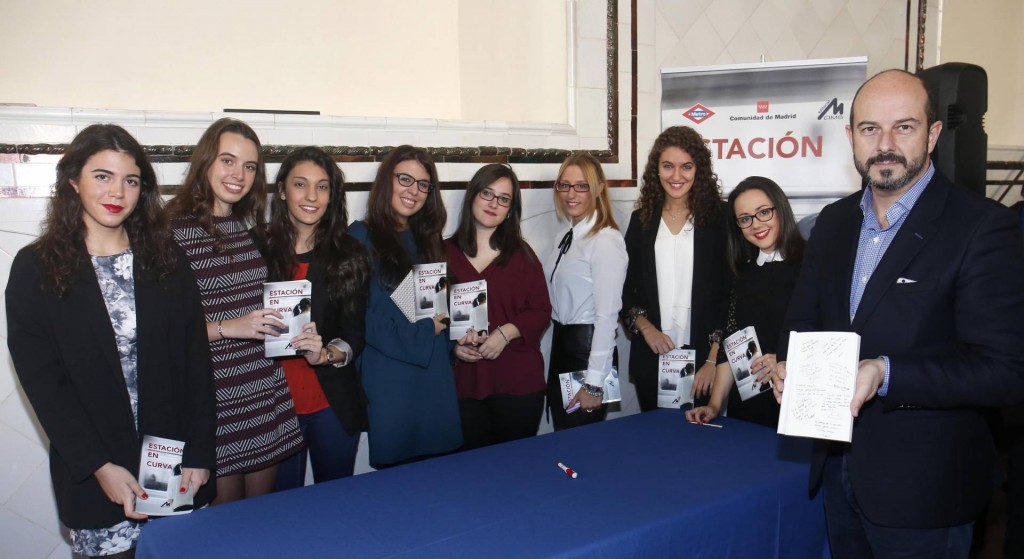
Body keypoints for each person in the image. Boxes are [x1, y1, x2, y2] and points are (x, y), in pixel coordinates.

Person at [772, 69, 1024, 558]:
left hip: (926, 493)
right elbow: (802, 319)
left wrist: (885, 373)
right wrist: (791, 365)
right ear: (851, 137)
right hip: (837, 475)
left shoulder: (983, 228)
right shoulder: (834, 222)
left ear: (932, 134)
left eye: (903, 127)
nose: (885, 144)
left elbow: (1006, 371)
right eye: (870, 129)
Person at [6, 124, 216, 558]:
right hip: (95, 472)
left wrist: (200, 451)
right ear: (73, 180)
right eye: (102, 175)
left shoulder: (167, 260)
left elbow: (196, 363)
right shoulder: (36, 269)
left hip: (172, 468)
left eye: (131, 179)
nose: (117, 190)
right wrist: (99, 467)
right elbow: (45, 387)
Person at [164, 118, 302, 504]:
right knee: (222, 527)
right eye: (228, 161)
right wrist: (229, 327)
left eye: (249, 166)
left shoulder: (249, 228)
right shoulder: (170, 232)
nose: (238, 175)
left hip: (262, 389)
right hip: (213, 397)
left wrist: (294, 324)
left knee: (259, 519)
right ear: (205, 162)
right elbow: (163, 330)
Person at [263, 146, 370, 489]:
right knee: (280, 511)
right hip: (273, 407)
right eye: (300, 184)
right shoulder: (255, 248)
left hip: (331, 405)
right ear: (281, 190)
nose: (312, 196)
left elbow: (354, 335)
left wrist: (326, 354)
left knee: (335, 507)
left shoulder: (349, 254)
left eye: (322, 187)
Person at [349, 145, 462, 467]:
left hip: (433, 374)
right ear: (387, 180)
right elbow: (360, 319)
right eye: (405, 179)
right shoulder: (359, 238)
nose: (414, 191)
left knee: (440, 483)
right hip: (389, 379)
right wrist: (426, 331)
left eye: (423, 184)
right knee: (399, 491)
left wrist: (456, 341)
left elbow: (436, 310)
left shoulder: (428, 239)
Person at [620, 126, 729, 412]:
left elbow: (731, 293)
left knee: (699, 446)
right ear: (656, 170)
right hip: (652, 357)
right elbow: (625, 287)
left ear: (699, 170)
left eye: (686, 167)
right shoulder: (640, 221)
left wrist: (713, 359)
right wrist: (646, 329)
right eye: (668, 166)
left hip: (705, 363)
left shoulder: (721, 219)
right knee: (655, 444)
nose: (676, 176)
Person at [685, 176, 804, 428]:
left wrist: (784, 358)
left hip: (796, 401)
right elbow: (733, 345)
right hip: (747, 408)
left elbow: (826, 335)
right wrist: (715, 405)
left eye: (763, 213)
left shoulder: (811, 264)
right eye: (745, 219)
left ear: (780, 208)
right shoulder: (740, 273)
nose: (756, 224)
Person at [447, 164, 552, 450]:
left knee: (515, 475)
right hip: (463, 385)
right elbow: (422, 317)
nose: (494, 204)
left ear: (511, 209)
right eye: (487, 193)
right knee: (471, 475)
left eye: (504, 199)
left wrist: (506, 332)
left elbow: (541, 311)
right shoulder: (438, 252)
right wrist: (451, 346)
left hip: (517, 383)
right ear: (472, 196)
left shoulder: (523, 255)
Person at [545, 152, 627, 430]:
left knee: (580, 443)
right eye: (564, 185)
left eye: (582, 186)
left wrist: (594, 383)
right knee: (564, 436)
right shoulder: (564, 237)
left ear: (598, 189)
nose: (571, 193)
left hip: (587, 352)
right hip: (562, 347)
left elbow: (607, 316)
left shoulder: (605, 240)